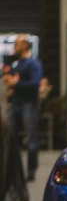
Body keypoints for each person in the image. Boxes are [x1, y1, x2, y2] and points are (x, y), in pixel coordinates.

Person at [2, 35, 43, 181]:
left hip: (29, 104)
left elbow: (35, 83)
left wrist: (16, 83)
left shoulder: (34, 63)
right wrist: (10, 82)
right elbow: (14, 78)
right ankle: (13, 171)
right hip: (16, 104)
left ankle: (31, 171)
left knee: (31, 138)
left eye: (17, 44)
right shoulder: (17, 63)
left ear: (25, 45)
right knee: (11, 138)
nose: (14, 47)